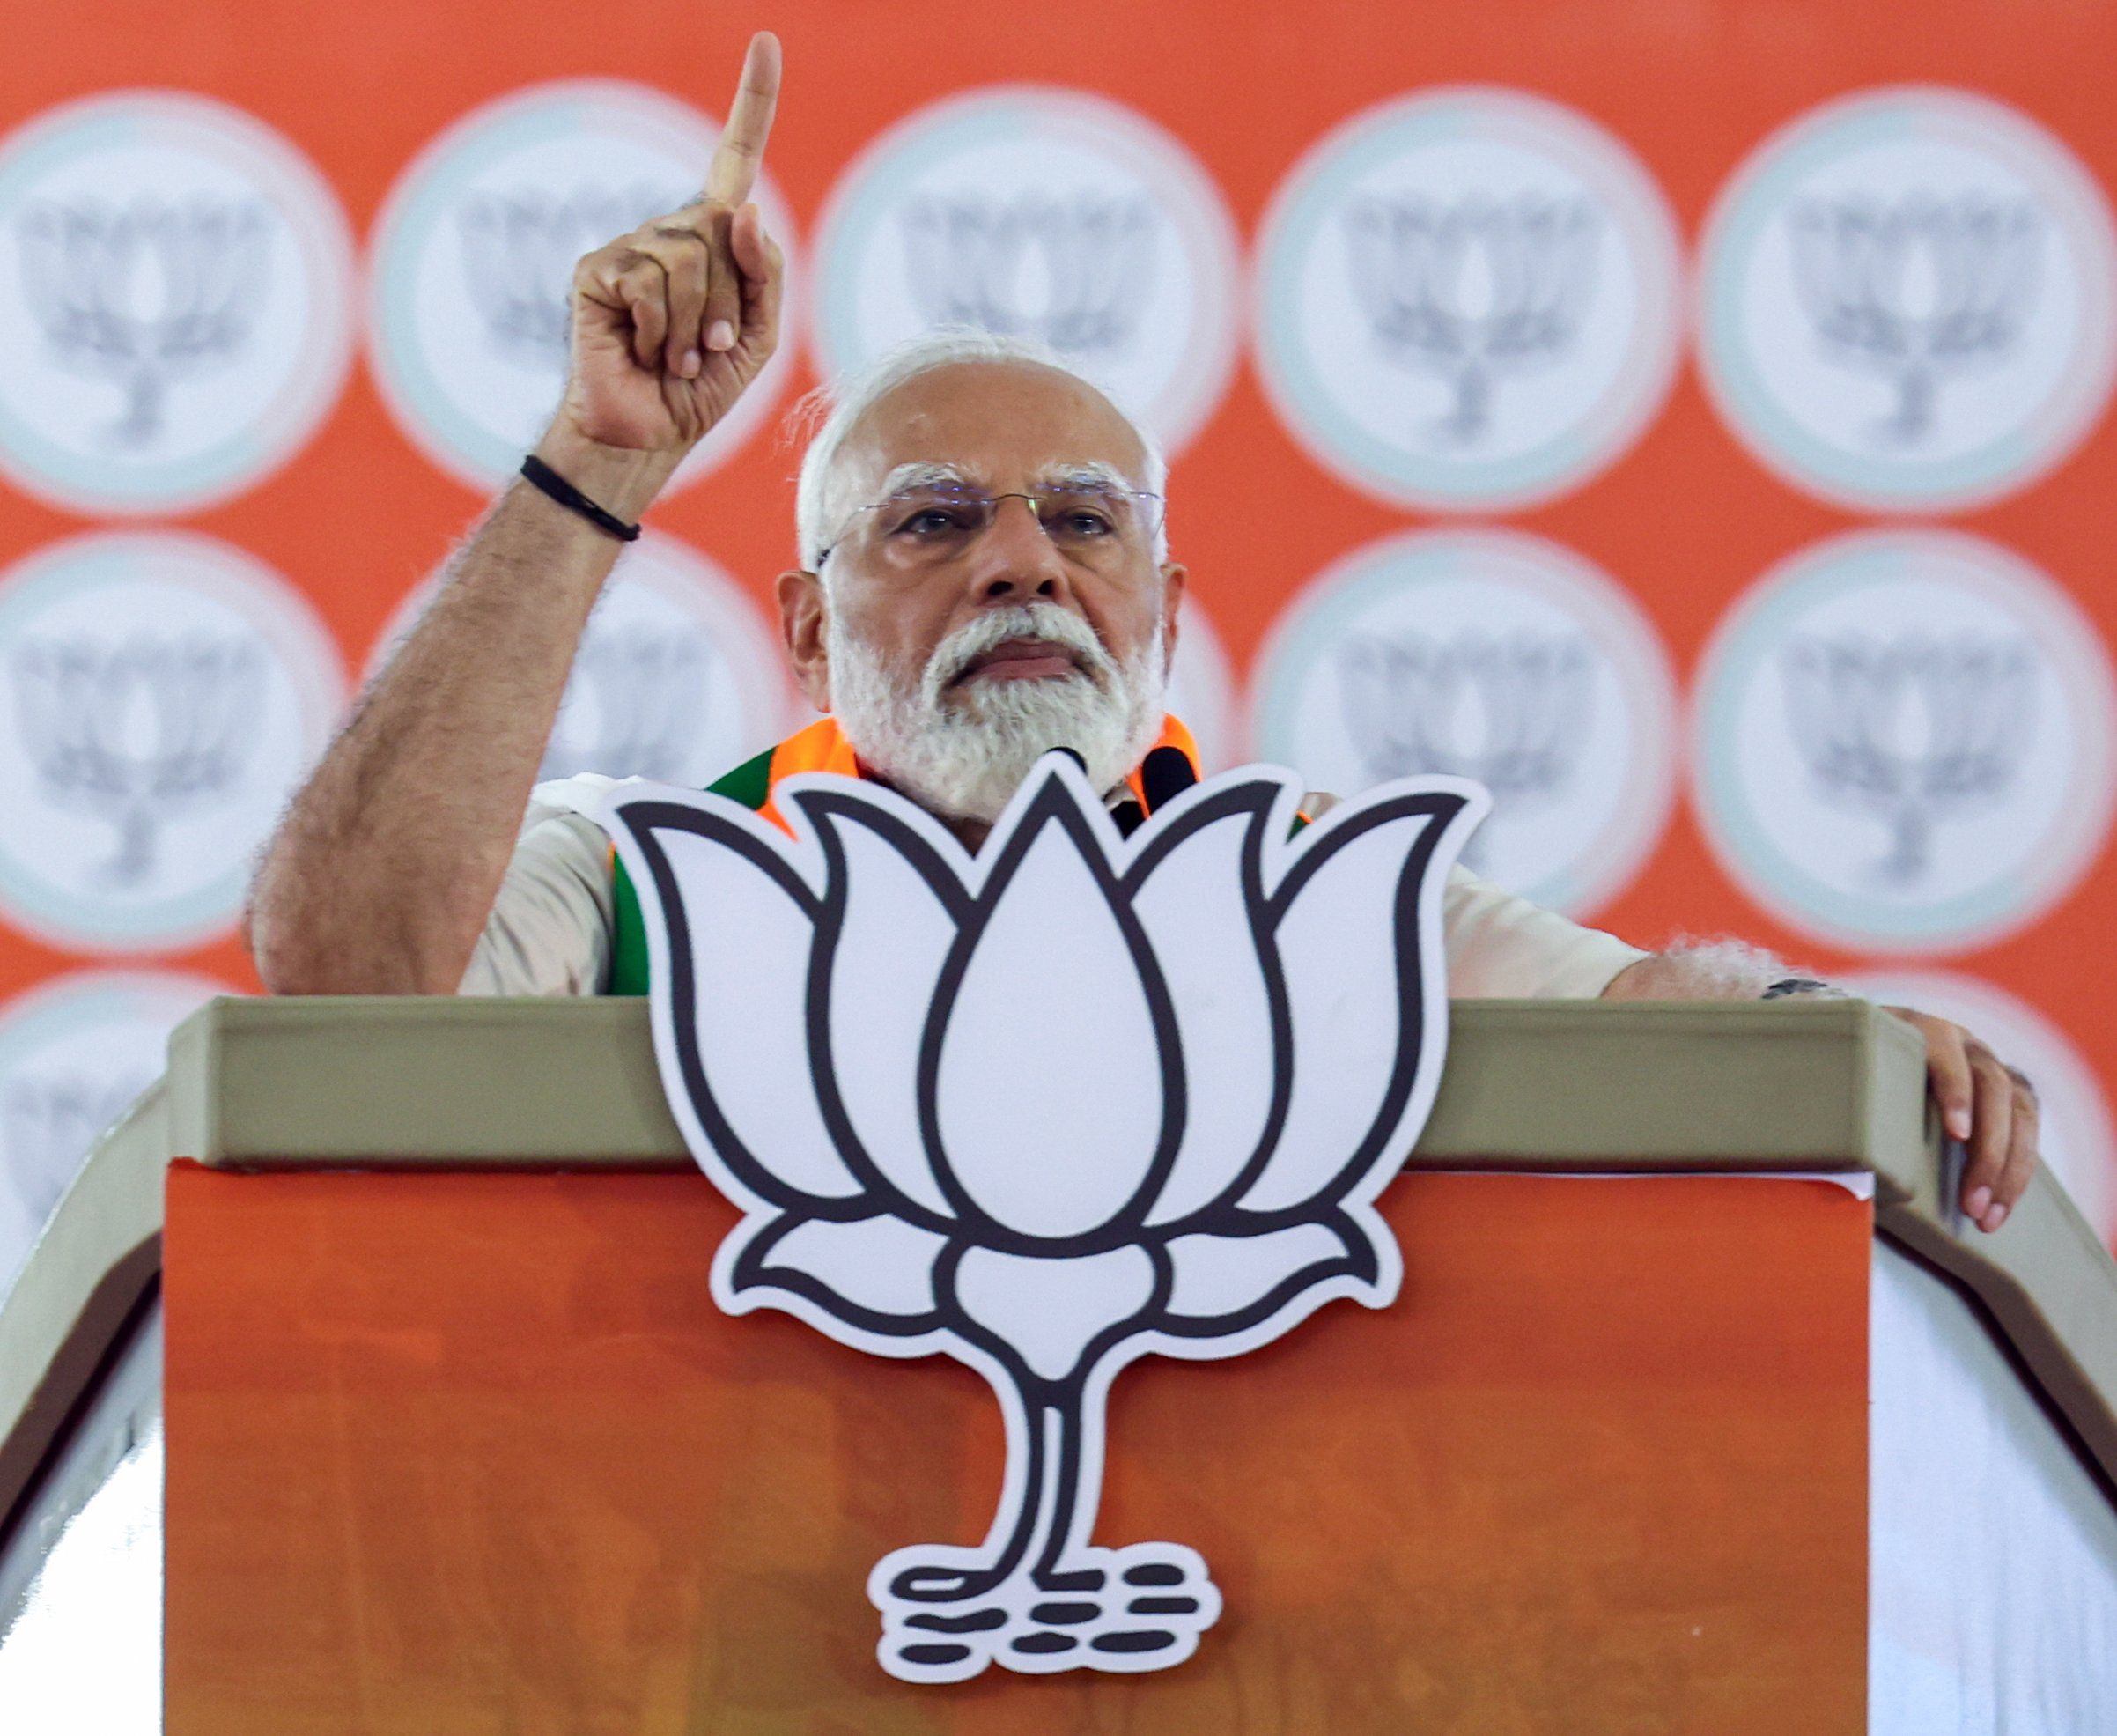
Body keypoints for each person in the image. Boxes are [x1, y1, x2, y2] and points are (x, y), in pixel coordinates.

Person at [245, 32, 2040, 1236]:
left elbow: (1661, 1022)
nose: (1021, 565)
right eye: (935, 520)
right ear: (804, 626)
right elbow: (340, 985)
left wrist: (1833, 1028)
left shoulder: (1315, 889)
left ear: (1164, 618)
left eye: (1082, 524)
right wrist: (597, 459)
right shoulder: (640, 875)